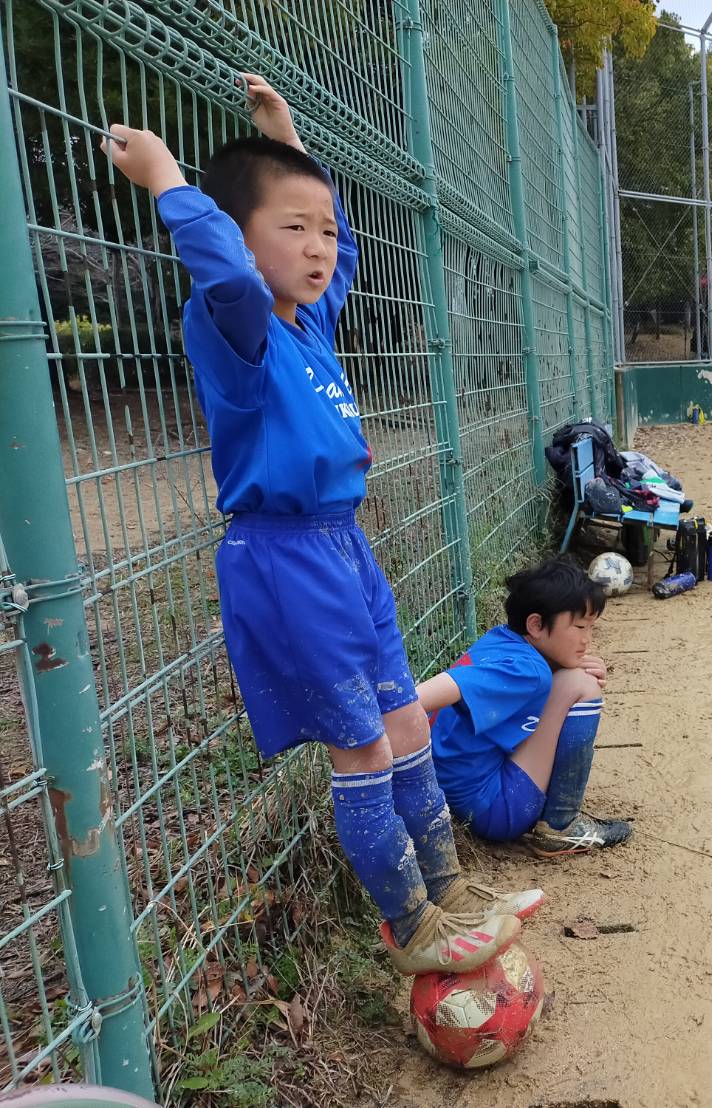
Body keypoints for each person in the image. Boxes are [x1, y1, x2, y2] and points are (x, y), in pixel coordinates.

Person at [102, 77, 535, 974]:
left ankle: (448, 893)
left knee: (408, 724)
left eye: (327, 229)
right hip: (285, 557)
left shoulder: (308, 325)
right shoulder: (240, 330)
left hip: (344, 546)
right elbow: (224, 265)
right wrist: (167, 179)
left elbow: (327, 261)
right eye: (291, 229)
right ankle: (410, 927)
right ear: (237, 232)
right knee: (365, 744)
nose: (318, 248)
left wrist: (290, 140)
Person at [419, 558, 633, 857]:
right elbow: (443, 689)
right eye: (580, 626)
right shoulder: (529, 668)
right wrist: (391, 709)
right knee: (582, 685)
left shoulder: (500, 640)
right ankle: (560, 826)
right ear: (535, 624)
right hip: (496, 809)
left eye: (591, 627)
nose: (587, 639)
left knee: (571, 678)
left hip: (456, 792)